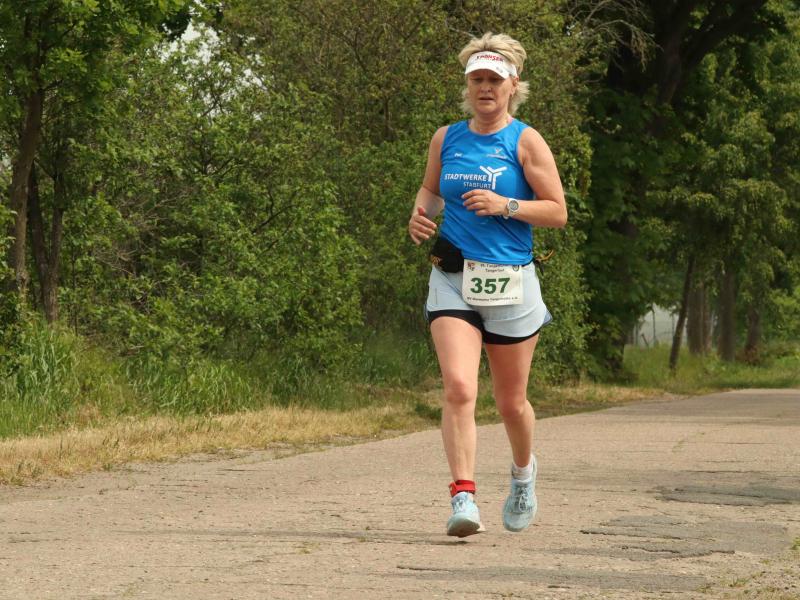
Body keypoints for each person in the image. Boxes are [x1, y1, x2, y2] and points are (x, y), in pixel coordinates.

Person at [408, 32, 567, 537]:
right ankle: (463, 498)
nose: (485, 88)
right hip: (452, 277)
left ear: (512, 86)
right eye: (477, 79)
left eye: (494, 80)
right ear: (467, 85)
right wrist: (419, 216)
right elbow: (431, 191)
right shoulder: (446, 138)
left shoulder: (525, 140)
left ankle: (522, 474)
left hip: (510, 282)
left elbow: (558, 212)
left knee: (510, 403)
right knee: (458, 388)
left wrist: (506, 205)